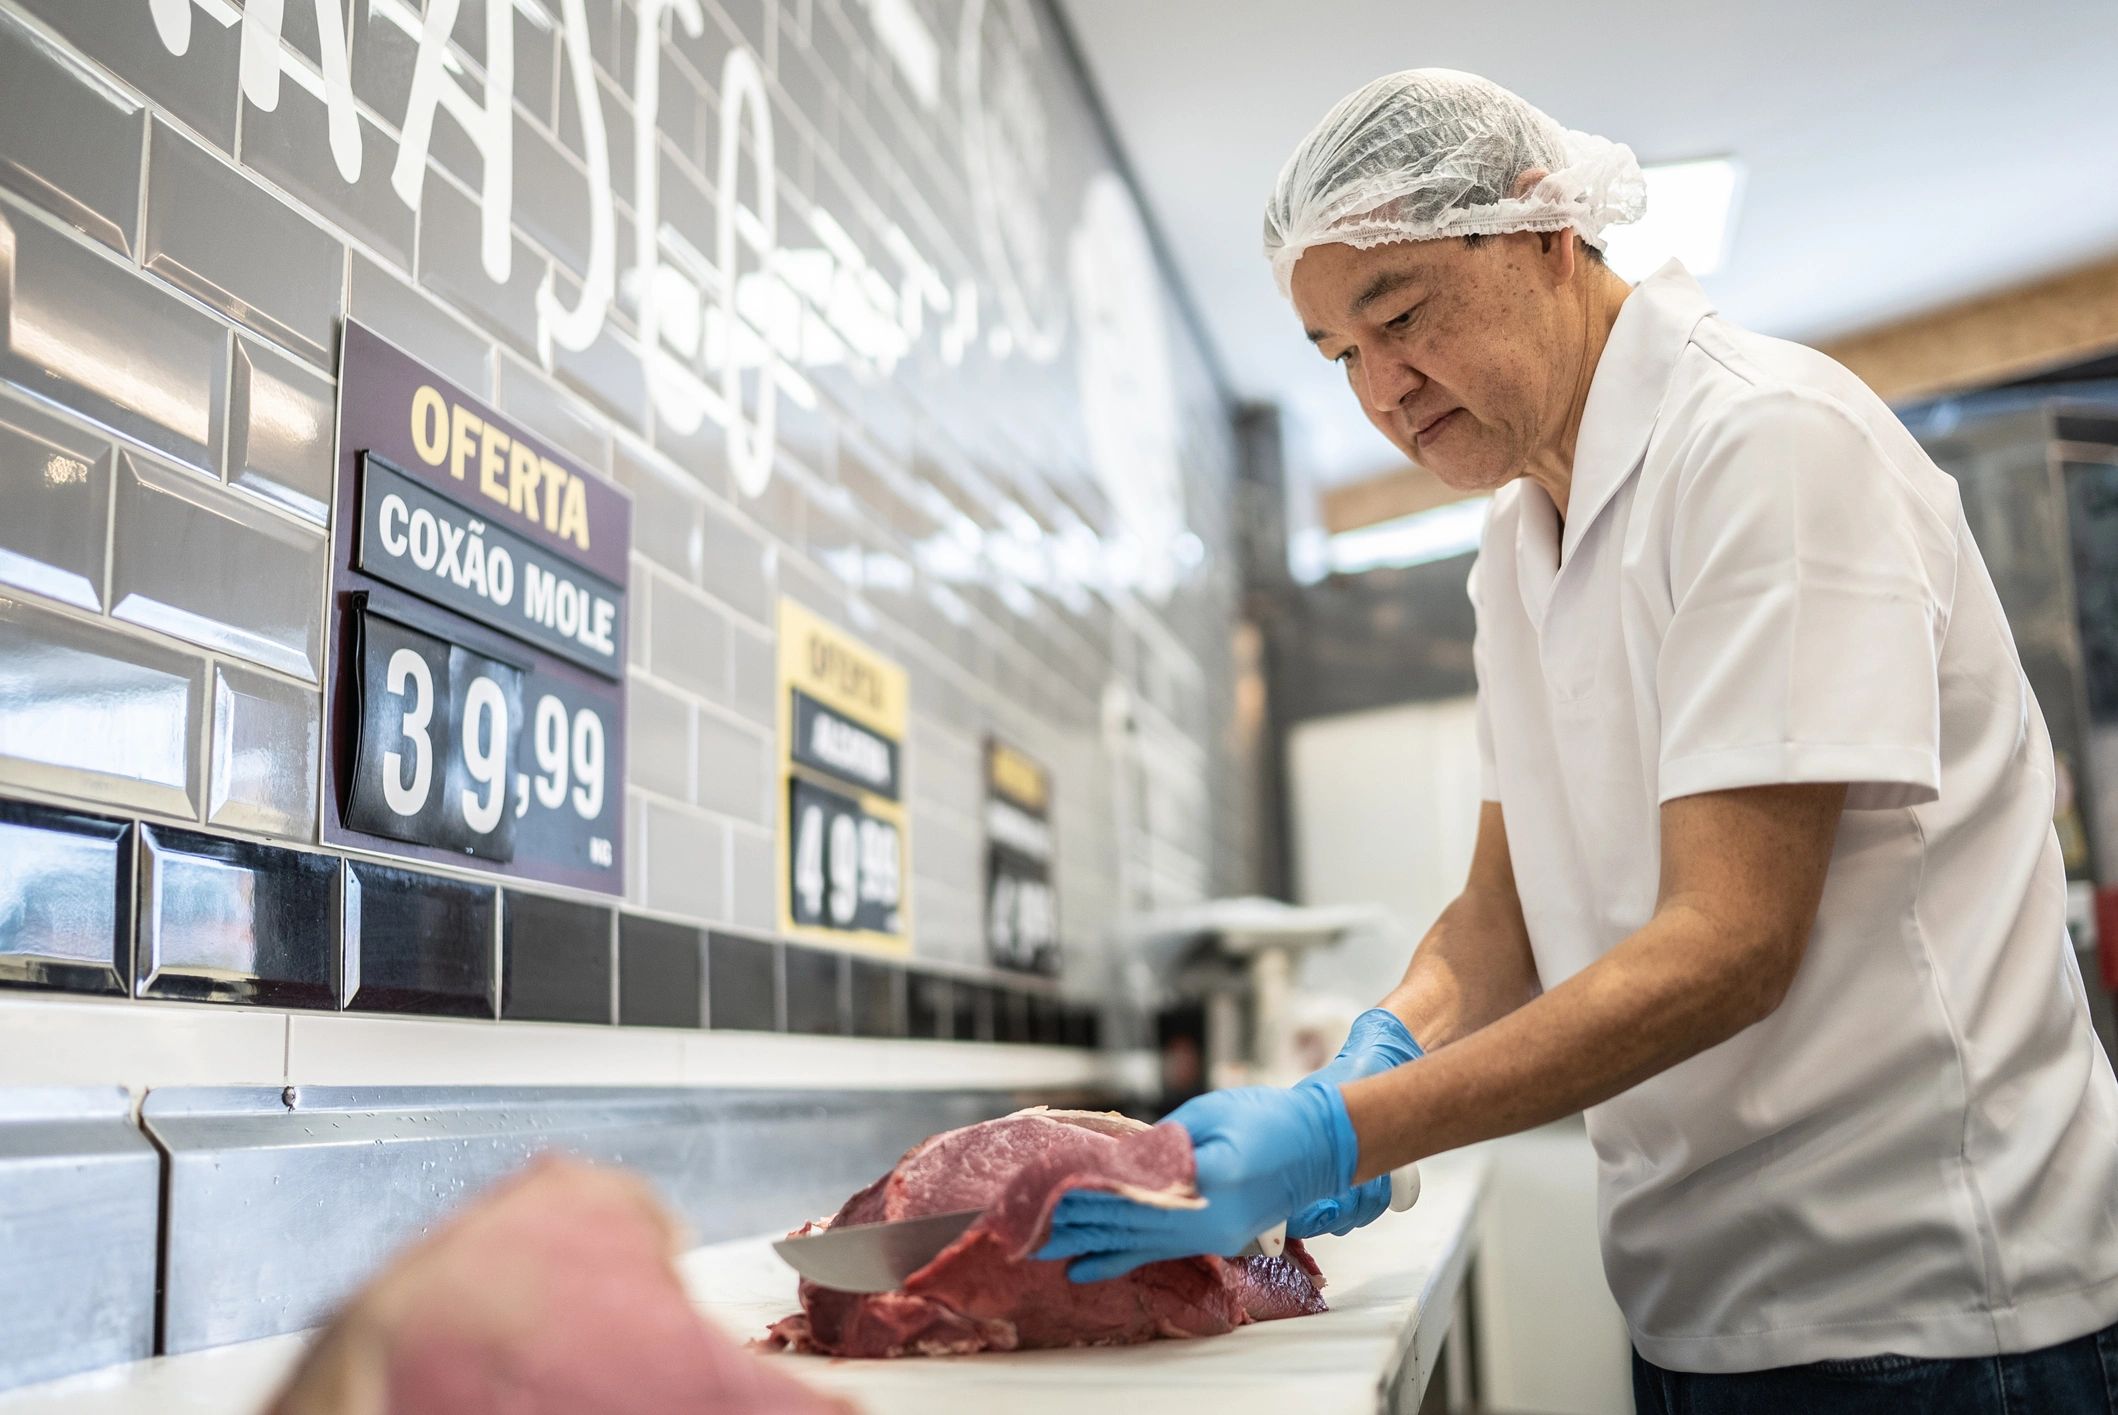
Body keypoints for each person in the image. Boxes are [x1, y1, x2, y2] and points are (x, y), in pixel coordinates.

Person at [1038, 68, 2118, 1413]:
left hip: (1937, 1310)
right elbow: (1504, 918)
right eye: (1337, 356)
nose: (1381, 388)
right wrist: (1382, 1047)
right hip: (1700, 1308)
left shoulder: (1759, 443)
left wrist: (1339, 1133)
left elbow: (1733, 942)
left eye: (1402, 314)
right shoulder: (1517, 546)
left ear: (1545, 234)